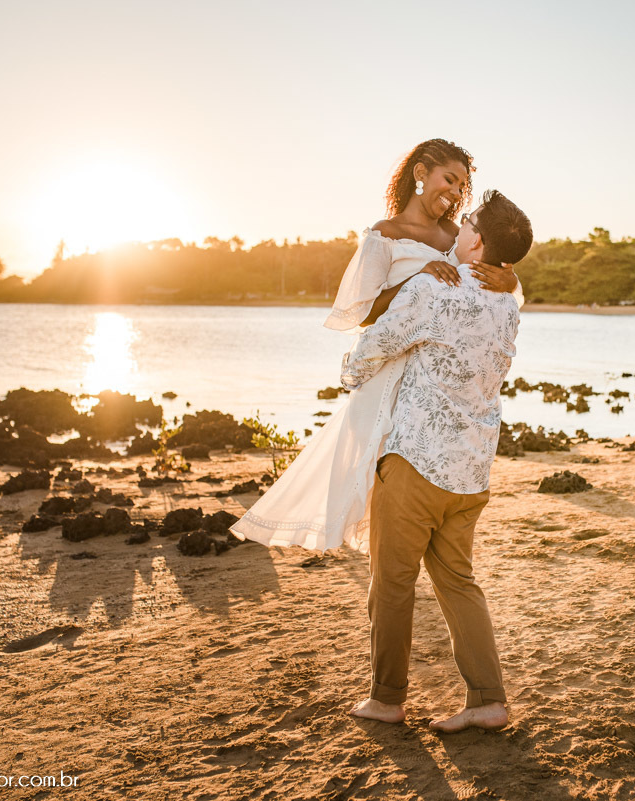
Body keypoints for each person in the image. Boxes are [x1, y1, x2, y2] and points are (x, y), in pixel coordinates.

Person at [229, 140, 522, 552]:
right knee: (378, 479)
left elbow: (490, 289)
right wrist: (419, 277)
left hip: (435, 382)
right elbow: (361, 313)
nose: (456, 193)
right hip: (388, 373)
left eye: (462, 187)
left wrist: (511, 278)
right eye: (449, 179)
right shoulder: (385, 235)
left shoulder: (461, 236)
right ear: (421, 174)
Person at [342, 190, 533, 733]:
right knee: (458, 582)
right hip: (471, 472)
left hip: (416, 463)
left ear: (477, 242)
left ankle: (386, 698)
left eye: (468, 221)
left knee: (391, 583)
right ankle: (488, 700)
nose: (460, 225)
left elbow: (373, 348)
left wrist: (349, 372)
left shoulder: (433, 288)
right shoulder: (507, 304)